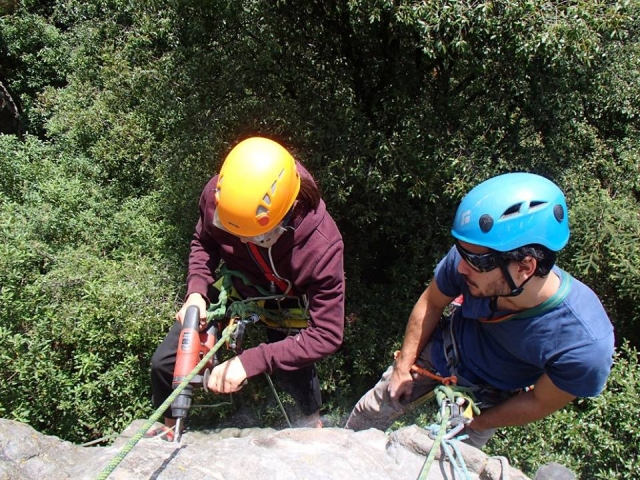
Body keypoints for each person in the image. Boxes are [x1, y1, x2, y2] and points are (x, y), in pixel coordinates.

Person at [345, 172, 614, 448]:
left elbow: (538, 401)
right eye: (462, 254)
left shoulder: (584, 345)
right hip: (442, 351)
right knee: (368, 414)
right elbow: (432, 302)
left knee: (448, 462)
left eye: (475, 261)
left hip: (490, 399)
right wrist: (402, 367)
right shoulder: (474, 256)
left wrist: (478, 422)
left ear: (525, 268)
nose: (461, 267)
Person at [151, 136, 345, 436]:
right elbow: (203, 242)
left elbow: (327, 334)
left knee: (293, 370)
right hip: (238, 285)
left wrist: (251, 361)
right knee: (166, 362)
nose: (242, 241)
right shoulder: (222, 199)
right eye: (235, 232)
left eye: (256, 236)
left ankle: (311, 422)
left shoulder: (321, 245)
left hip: (286, 298)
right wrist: (196, 292)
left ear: (289, 209)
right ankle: (167, 428)